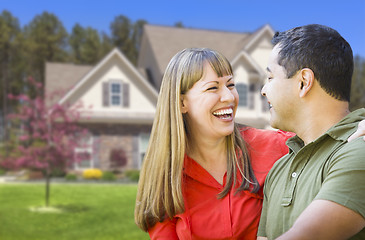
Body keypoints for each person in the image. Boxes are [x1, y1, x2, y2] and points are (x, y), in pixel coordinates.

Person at [134, 47, 365, 240]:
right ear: (182, 102)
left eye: (231, 85)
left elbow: (328, 135)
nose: (229, 97)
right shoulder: (166, 177)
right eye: (213, 88)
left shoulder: (273, 146)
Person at [257, 24, 365, 240]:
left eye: (270, 78)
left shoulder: (358, 150)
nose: (263, 90)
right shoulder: (279, 169)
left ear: (303, 82)